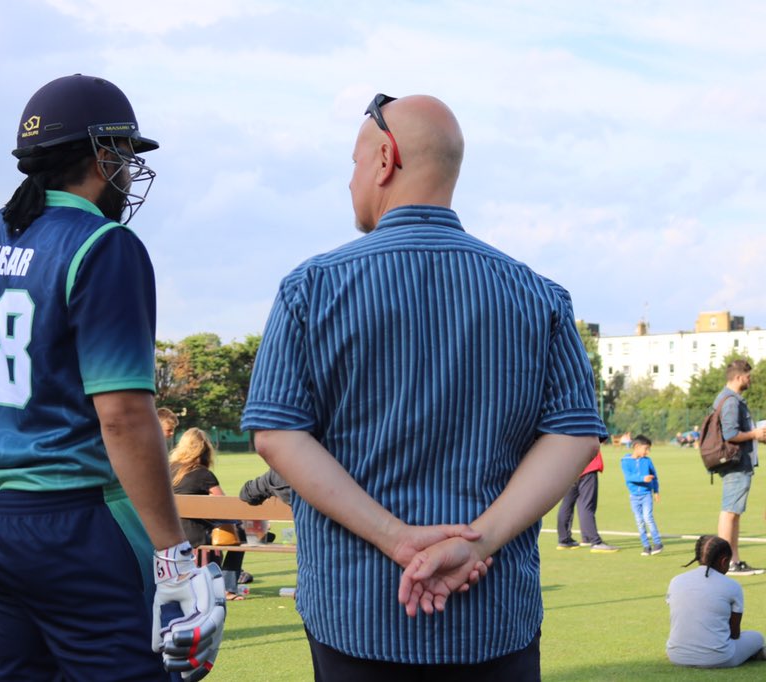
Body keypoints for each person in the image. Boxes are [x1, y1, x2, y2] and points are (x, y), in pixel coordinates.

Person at [0, 74, 224, 681]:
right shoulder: (105, 244)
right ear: (103, 153)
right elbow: (125, 416)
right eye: (125, 153)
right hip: (76, 525)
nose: (130, 168)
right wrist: (174, 553)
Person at [241, 93, 604, 679]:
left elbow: (277, 434)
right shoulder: (539, 296)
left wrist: (398, 540)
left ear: (385, 159)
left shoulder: (312, 288)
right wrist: (479, 543)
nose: (352, 180)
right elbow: (574, 437)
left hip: (355, 614)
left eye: (355, 163)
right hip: (493, 616)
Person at [170, 427, 247, 600]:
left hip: (171, 532)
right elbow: (224, 504)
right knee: (240, 535)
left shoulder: (168, 470)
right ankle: (228, 588)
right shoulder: (202, 473)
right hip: (196, 535)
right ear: (205, 449)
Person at [666, 534, 766, 667]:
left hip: (676, 656)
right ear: (724, 561)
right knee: (757, 637)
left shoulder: (676, 581)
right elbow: (734, 634)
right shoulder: (732, 585)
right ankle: (755, 653)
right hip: (719, 658)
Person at [712, 358, 766, 576]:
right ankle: (726, 562)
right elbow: (731, 434)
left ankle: (733, 559)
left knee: (734, 512)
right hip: (734, 462)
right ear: (738, 377)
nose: (750, 379)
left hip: (738, 461)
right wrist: (754, 434)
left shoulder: (730, 399)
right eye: (748, 376)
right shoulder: (731, 400)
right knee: (730, 511)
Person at [556, 449, 618, 553]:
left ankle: (565, 539)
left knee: (566, 505)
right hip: (587, 468)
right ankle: (595, 542)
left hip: (568, 469)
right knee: (586, 506)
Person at [620, 435, 663, 556]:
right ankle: (646, 546)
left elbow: (654, 477)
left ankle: (658, 543)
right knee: (639, 521)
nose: (648, 452)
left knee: (648, 518)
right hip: (634, 497)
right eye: (646, 449)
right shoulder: (625, 461)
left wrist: (656, 491)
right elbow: (629, 477)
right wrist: (643, 478)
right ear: (636, 447)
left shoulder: (647, 461)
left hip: (646, 495)